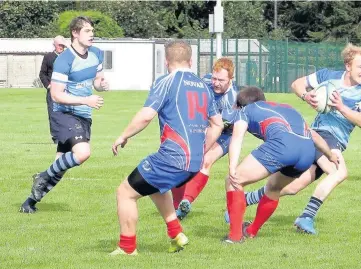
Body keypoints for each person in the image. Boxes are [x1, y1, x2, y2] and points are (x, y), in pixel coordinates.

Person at [233, 44, 361, 235]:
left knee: (292, 187)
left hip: (335, 141)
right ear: (348, 66)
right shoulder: (328, 76)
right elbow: (296, 84)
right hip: (322, 135)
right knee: (339, 172)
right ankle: (307, 216)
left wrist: (341, 107)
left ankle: (245, 200)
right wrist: (306, 95)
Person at [110, 40, 224, 255]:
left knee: (125, 192)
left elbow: (146, 116)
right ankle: (176, 234)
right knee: (154, 186)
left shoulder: (167, 81)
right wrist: (201, 148)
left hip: (174, 158)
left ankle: (126, 248)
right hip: (194, 161)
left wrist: (123, 136)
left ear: (166, 61)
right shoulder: (204, 86)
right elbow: (217, 123)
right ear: (191, 61)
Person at [223, 86, 339, 243]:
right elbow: (313, 135)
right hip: (307, 152)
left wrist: (232, 167)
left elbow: (237, 139)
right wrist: (330, 154)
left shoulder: (246, 110)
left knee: (233, 181)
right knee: (274, 187)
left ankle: (235, 236)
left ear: (240, 104)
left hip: (282, 146)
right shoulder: (287, 108)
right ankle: (251, 231)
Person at [19, 16, 109, 213]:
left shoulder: (97, 53)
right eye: (87, 31)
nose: (92, 34)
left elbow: (97, 82)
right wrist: (87, 100)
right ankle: (42, 175)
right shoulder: (64, 60)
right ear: (75, 34)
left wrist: (101, 85)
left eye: (92, 31)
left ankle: (29, 203)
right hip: (64, 113)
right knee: (83, 153)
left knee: (60, 166)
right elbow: (56, 95)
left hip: (83, 115)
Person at [171, 58, 238, 220]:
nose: (215, 83)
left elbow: (218, 127)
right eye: (214, 78)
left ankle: (186, 201)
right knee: (182, 161)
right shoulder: (204, 82)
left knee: (205, 160)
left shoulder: (233, 100)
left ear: (231, 79)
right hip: (205, 127)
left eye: (221, 80)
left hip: (226, 134)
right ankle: (176, 207)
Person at [39, 35, 67, 144]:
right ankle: (56, 138)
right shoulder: (48, 57)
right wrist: (48, 85)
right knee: (53, 113)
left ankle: (66, 135)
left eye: (63, 45)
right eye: (59, 45)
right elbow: (42, 74)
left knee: (66, 113)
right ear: (54, 45)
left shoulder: (67, 57)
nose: (61, 47)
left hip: (65, 91)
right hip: (52, 91)